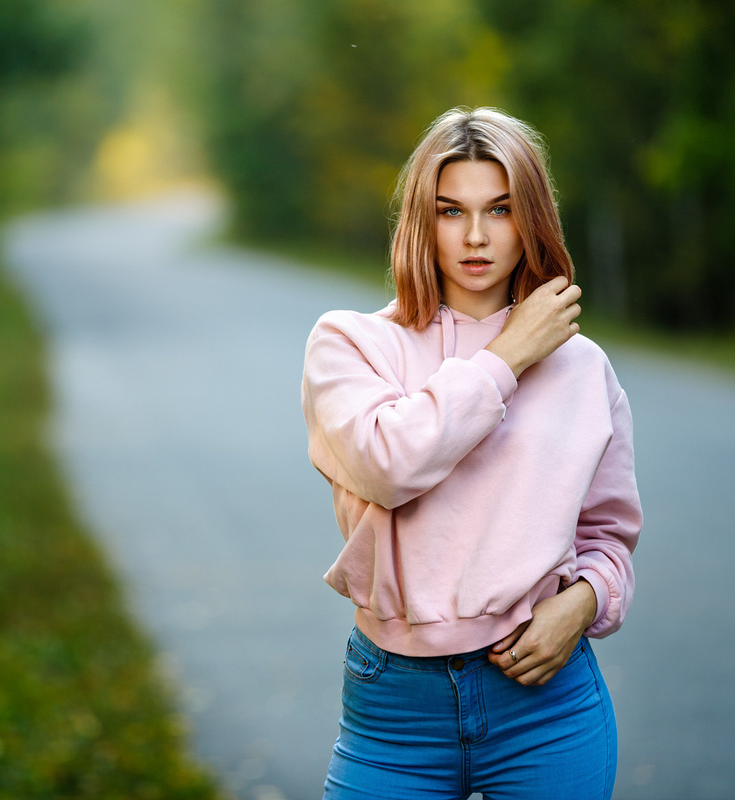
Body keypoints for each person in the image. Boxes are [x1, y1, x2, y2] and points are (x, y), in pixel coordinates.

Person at [300, 106, 642, 799]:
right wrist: (508, 357)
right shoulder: (351, 345)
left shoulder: (582, 368)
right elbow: (388, 467)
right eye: (451, 211)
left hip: (545, 703)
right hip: (395, 712)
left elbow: (608, 534)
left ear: (532, 220)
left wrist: (586, 601)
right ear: (422, 222)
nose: (477, 237)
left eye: (501, 210)